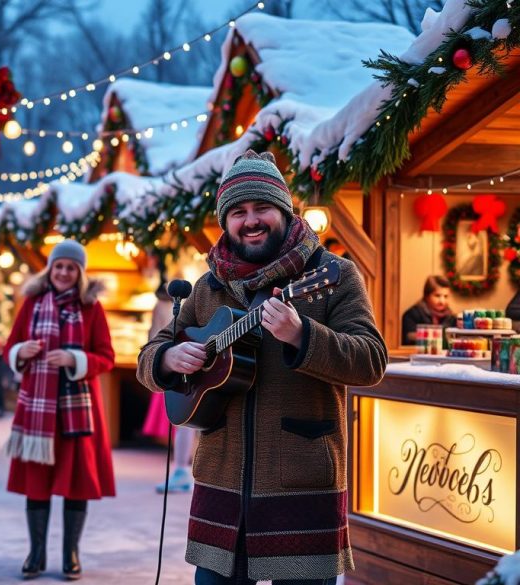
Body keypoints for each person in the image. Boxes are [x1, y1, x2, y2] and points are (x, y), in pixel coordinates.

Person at [137, 149, 388, 584]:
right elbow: (151, 354)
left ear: (285, 211)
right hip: (221, 487)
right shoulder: (210, 284)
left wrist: (302, 335)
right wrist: (167, 358)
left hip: (302, 484)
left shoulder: (333, 274)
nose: (250, 220)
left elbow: (371, 360)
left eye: (262, 208)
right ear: (225, 221)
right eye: (238, 211)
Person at [4, 240, 116, 581]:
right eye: (59, 267)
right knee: (37, 481)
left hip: (75, 411)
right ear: (49, 270)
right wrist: (23, 350)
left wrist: (74, 359)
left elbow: (106, 357)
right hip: (38, 411)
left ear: (79, 273)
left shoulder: (90, 307)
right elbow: (11, 346)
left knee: (76, 480)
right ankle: (36, 553)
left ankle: (70, 554)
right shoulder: (32, 303)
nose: (64, 273)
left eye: (71, 267)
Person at [140, 282, 197, 494]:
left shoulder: (161, 306)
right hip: (184, 360)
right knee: (189, 421)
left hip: (175, 365)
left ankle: (182, 468)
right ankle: (183, 468)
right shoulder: (189, 302)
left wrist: (160, 358)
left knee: (183, 418)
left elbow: (153, 337)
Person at [401, 275, 454, 345]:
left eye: (446, 296)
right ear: (427, 295)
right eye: (437, 296)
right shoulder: (411, 315)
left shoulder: (452, 317)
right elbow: (409, 339)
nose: (442, 301)